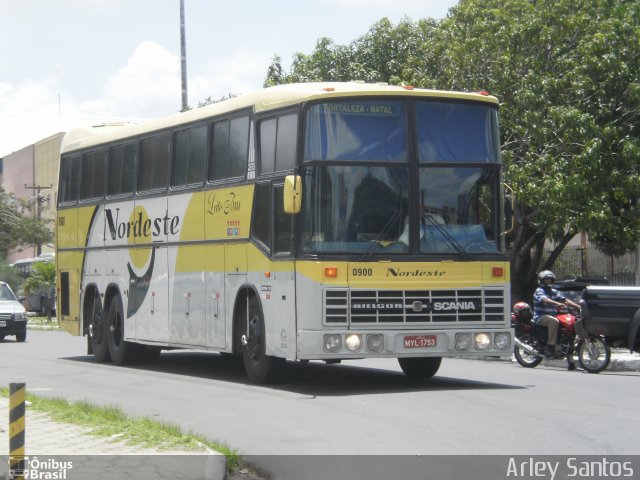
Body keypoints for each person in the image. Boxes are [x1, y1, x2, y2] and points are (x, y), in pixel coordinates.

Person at [533, 270, 581, 358]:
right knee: (554, 321)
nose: (548, 281)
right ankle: (550, 346)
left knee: (570, 322)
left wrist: (578, 307)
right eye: (546, 279)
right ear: (542, 280)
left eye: (550, 279)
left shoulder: (553, 291)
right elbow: (544, 299)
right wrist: (557, 303)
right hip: (540, 317)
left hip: (552, 315)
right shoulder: (539, 290)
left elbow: (564, 300)